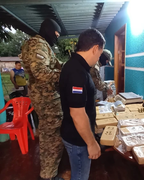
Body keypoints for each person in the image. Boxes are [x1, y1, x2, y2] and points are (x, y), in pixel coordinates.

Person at [19, 18, 63, 180]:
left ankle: (49, 172)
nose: (56, 38)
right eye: (55, 34)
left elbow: (54, 65)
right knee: (51, 137)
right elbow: (41, 72)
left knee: (49, 134)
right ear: (48, 31)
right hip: (47, 98)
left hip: (46, 97)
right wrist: (64, 75)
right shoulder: (37, 44)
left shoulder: (41, 44)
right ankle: (48, 176)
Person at [59, 29, 105, 180]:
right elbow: (77, 113)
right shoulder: (77, 72)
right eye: (99, 54)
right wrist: (91, 143)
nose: (98, 59)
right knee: (80, 176)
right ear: (94, 48)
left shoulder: (75, 66)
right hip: (78, 138)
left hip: (75, 134)